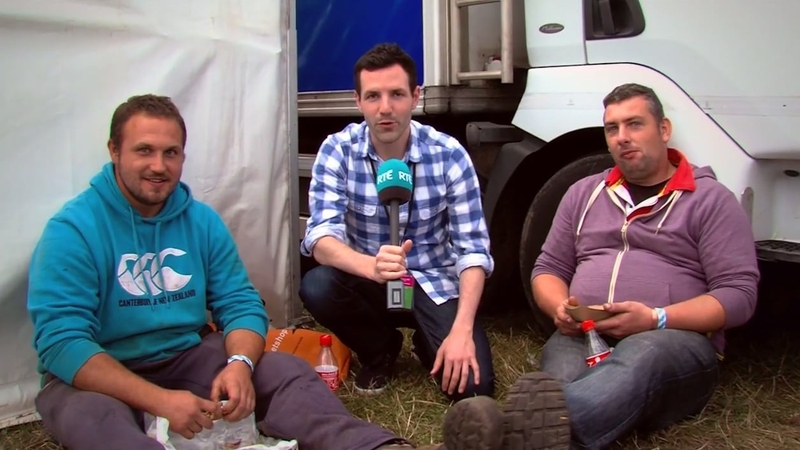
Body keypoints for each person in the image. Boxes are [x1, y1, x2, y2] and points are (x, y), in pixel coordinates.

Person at [26, 94, 455, 450]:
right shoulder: (73, 230)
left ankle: (377, 448)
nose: (159, 165)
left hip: (186, 357)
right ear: (114, 151)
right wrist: (161, 401)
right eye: (144, 150)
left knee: (287, 373)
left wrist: (239, 362)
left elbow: (241, 303)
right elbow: (62, 344)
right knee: (92, 421)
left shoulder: (200, 222)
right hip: (102, 374)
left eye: (171, 152)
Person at [461, 83, 761, 449]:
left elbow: (739, 295)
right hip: (585, 332)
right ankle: (540, 437)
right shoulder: (583, 193)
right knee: (554, 388)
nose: (622, 137)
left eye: (635, 124)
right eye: (612, 128)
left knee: (638, 358)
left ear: (663, 130)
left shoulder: (710, 200)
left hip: (673, 342)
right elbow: (548, 268)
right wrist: (559, 306)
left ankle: (504, 435)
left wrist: (656, 318)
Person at [298, 42, 496, 401]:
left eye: (396, 94)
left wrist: (462, 329)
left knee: (474, 388)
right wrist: (370, 266)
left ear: (416, 96)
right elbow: (322, 236)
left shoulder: (448, 154)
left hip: (432, 282)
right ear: (358, 101)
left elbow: (473, 251)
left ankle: (429, 339)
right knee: (318, 285)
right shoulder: (337, 150)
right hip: (368, 278)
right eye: (373, 96)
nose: (385, 108)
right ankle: (380, 349)